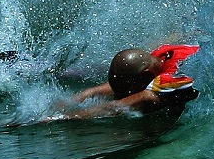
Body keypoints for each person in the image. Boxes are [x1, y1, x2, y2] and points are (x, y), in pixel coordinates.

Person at [57, 44, 200, 120]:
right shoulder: (160, 53)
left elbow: (125, 104)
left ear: (147, 74)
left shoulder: (170, 78)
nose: (126, 95)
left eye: (130, 90)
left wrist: (69, 117)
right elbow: (107, 89)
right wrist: (68, 102)